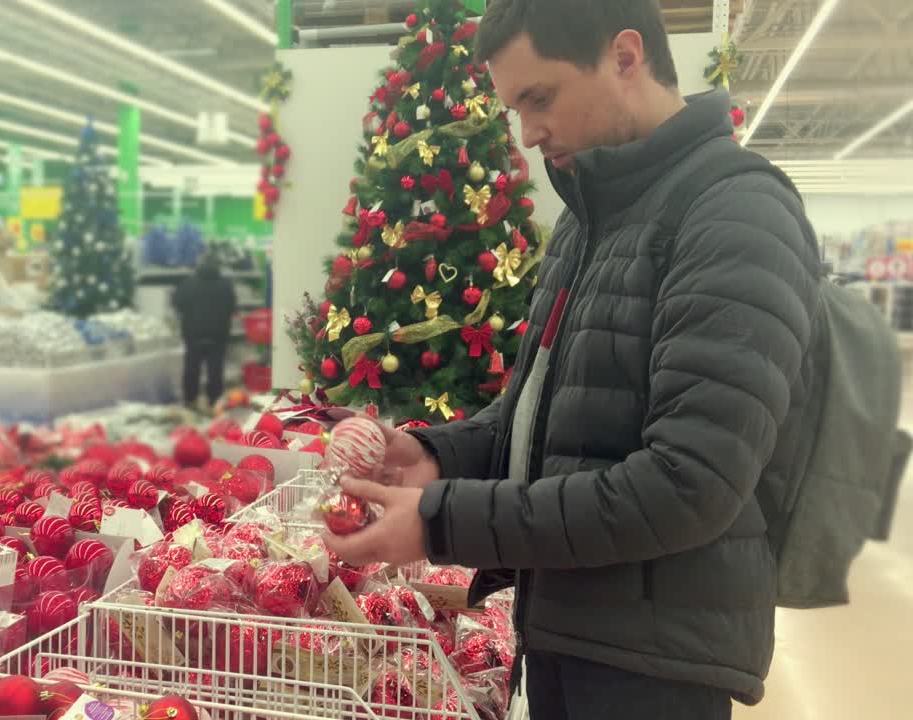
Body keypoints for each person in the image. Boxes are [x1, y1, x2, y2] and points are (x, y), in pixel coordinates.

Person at [324, 2, 821, 719]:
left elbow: (690, 484)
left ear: (625, 57)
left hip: (651, 667)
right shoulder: (594, 218)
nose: (527, 135)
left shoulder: (737, 213)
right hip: (570, 625)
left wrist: (441, 520)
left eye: (540, 97)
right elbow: (543, 414)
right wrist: (435, 453)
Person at [171, 252, 236, 411]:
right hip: (218, 335)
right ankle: (214, 402)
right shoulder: (226, 285)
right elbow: (231, 307)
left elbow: (177, 304)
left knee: (192, 368)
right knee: (215, 370)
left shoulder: (188, 283)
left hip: (193, 333)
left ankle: (190, 401)